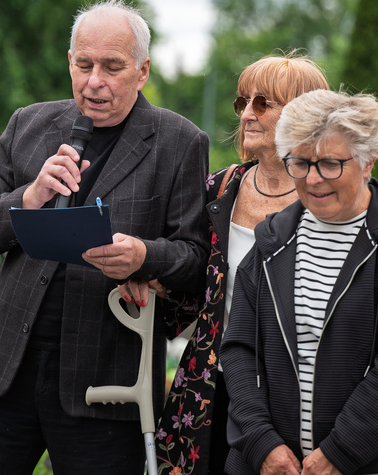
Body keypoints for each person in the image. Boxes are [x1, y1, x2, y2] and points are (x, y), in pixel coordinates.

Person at [0, 0, 210, 475]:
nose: (94, 81)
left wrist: (143, 256)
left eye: (112, 67)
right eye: (84, 64)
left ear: (142, 70)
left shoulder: (180, 141)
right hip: (2, 368)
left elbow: (195, 259)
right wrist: (29, 196)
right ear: (70, 61)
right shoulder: (28, 124)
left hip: (106, 380)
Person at [220, 89, 378, 475]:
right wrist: (262, 443)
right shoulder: (271, 241)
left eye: (329, 163)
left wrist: (341, 452)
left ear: (368, 161)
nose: (312, 179)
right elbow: (240, 350)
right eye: (300, 162)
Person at [124, 53, 329, 475]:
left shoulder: (329, 198)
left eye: (262, 103)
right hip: (211, 384)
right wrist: (151, 277)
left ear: (303, 115)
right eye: (242, 103)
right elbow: (195, 276)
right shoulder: (221, 187)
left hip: (298, 387)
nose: (247, 115)